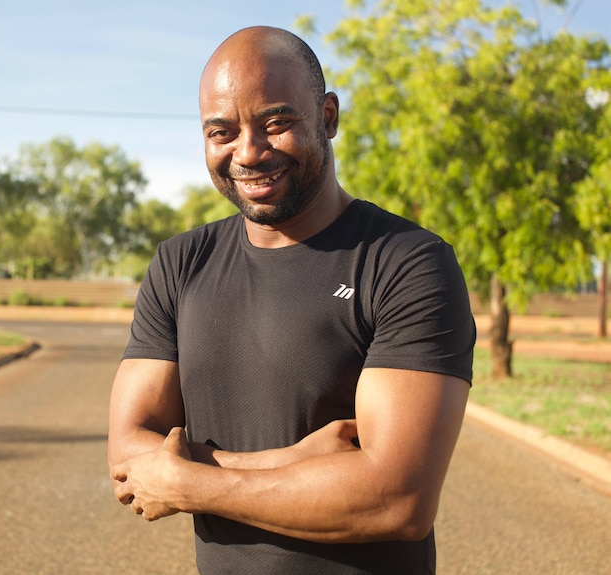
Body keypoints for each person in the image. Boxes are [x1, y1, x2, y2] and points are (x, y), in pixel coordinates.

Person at [108, 25, 475, 575]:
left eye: (276, 123)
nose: (248, 153)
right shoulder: (181, 264)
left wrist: (186, 480)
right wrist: (292, 461)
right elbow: (128, 453)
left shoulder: (406, 263)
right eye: (222, 132)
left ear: (327, 117)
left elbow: (397, 500)